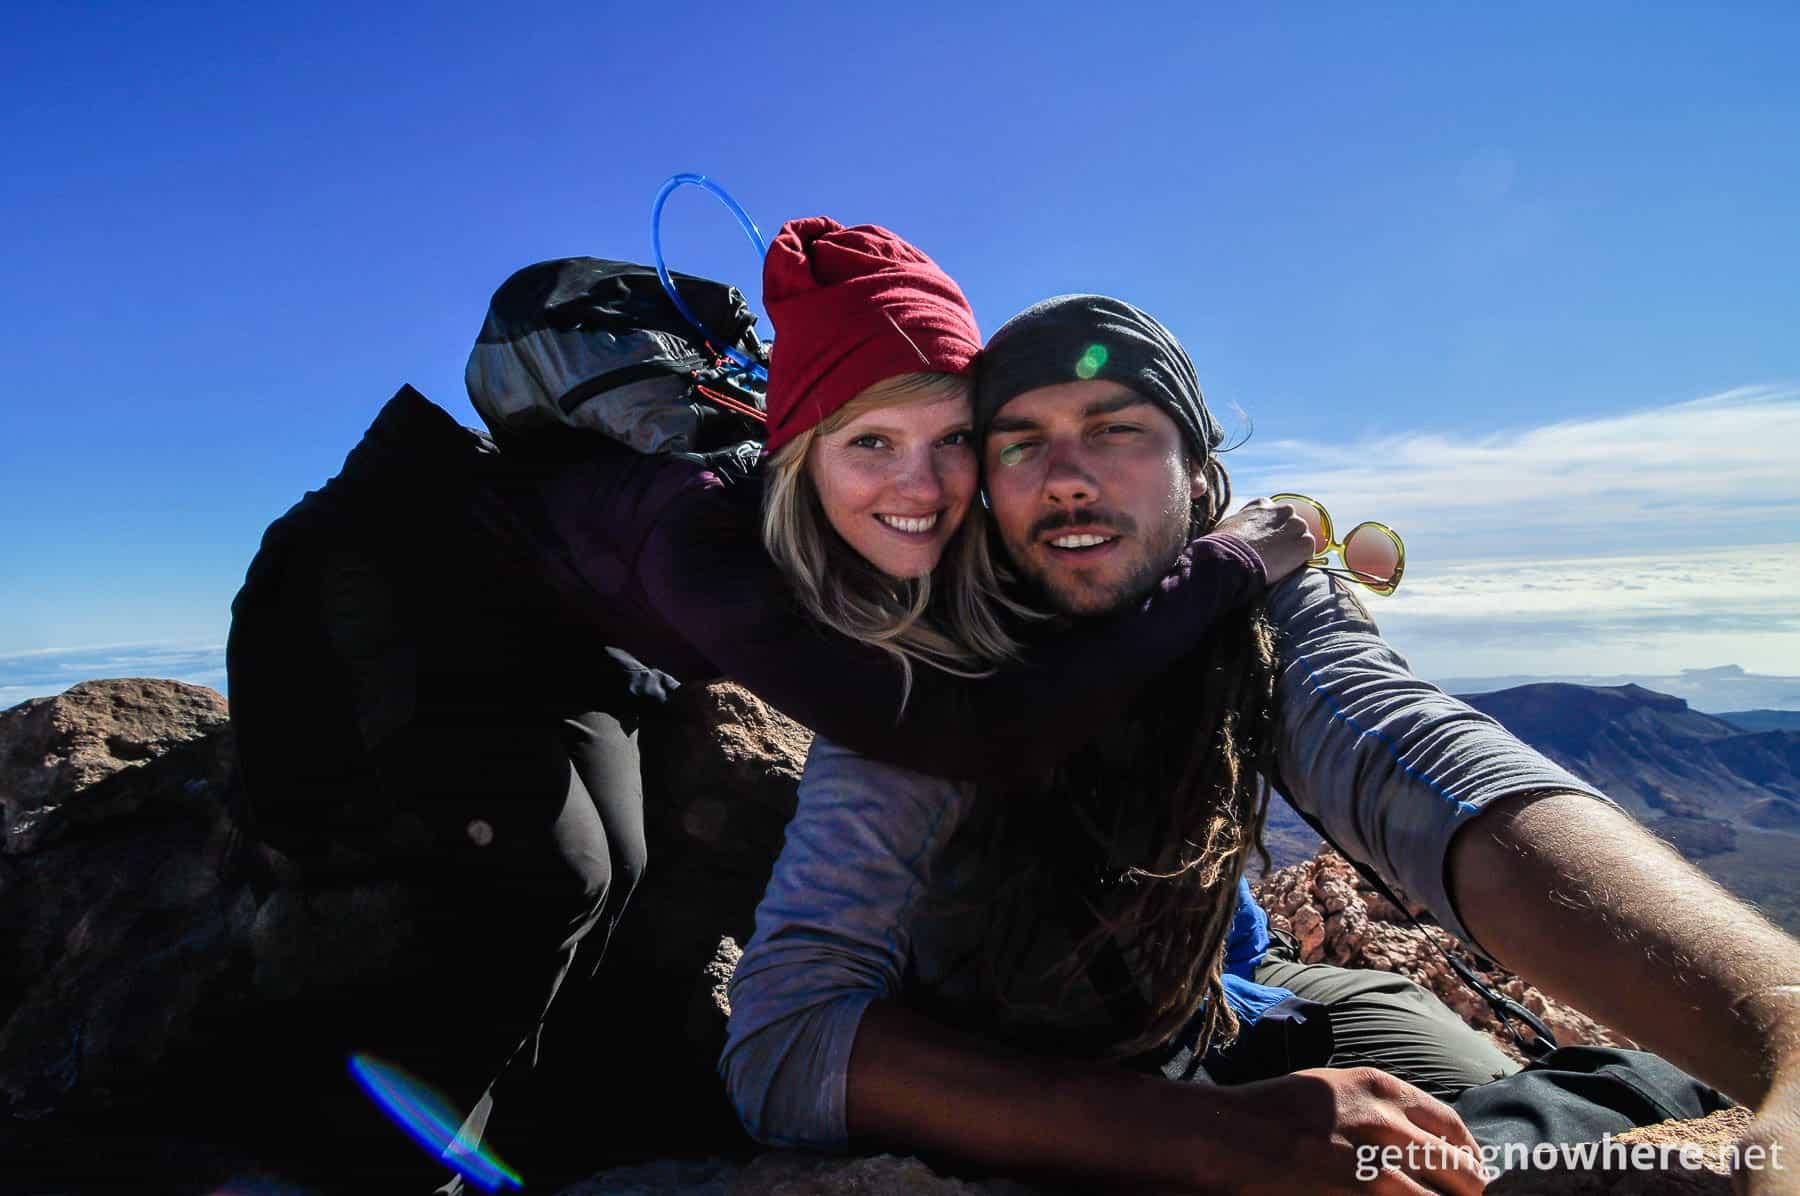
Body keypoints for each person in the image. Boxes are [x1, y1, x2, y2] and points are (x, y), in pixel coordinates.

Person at [225, 228, 1313, 1188]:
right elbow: (979, 732)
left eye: (953, 441)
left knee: (624, 866)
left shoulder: (810, 519)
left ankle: (523, 1122)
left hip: (556, 641)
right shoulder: (708, 541)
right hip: (373, 592)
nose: (923, 487)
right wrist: (1228, 562)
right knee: (553, 872)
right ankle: (345, 1162)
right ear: (799, 450)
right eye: (871, 444)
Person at [722, 294, 1800, 1194]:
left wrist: (1778, 1022)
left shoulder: (1264, 609)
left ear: (1199, 474)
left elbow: (1408, 751)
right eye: (1019, 443)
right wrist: (1204, 1136)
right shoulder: (933, 663)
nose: (1066, 476)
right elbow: (787, 1043)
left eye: (1117, 428)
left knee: (1613, 1093)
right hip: (1018, 1061)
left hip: (1233, 995)